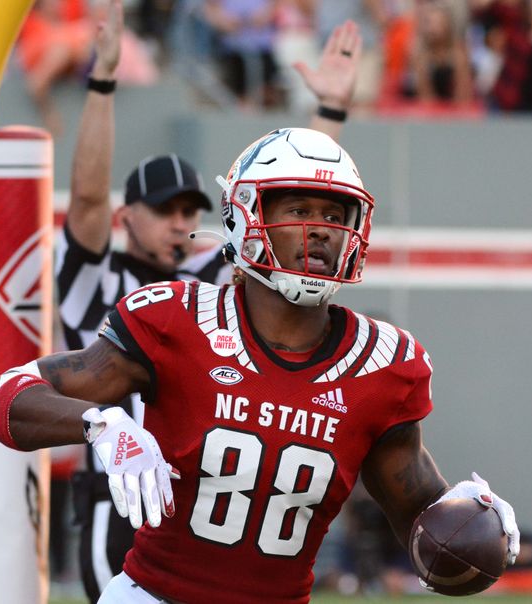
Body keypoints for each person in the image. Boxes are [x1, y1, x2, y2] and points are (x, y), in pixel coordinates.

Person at [0, 126, 520, 603]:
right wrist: (98, 423)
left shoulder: (383, 365)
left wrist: (473, 517)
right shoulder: (177, 320)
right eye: (299, 209)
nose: (322, 228)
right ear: (245, 216)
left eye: (334, 213)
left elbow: (422, 518)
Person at [57, 1, 363, 600]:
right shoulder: (95, 278)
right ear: (126, 217)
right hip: (117, 497)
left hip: (194, 503)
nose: (180, 223)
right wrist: (103, 81)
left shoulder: (203, 282)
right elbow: (88, 201)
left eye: (189, 212)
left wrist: (327, 113)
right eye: (164, 210)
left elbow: (286, 224)